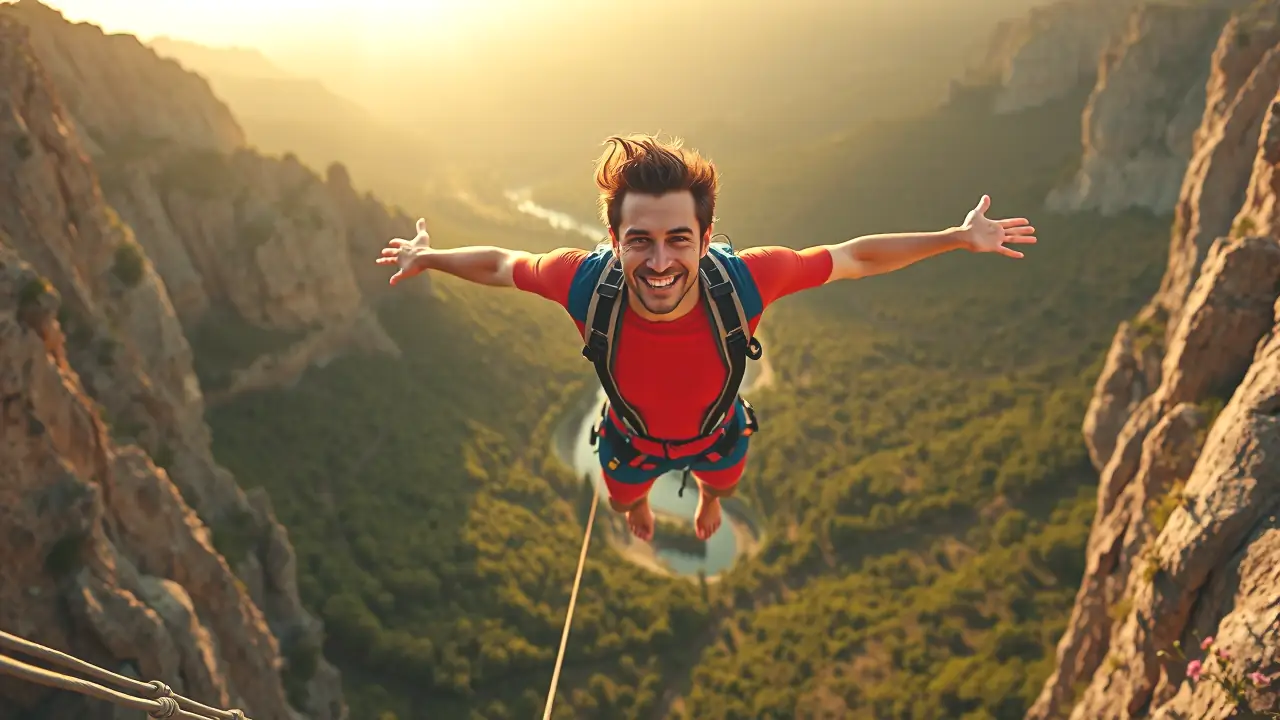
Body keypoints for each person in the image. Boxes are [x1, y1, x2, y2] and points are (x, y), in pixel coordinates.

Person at [376, 134, 1036, 542]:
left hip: (718, 438)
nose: (659, 261)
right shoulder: (583, 283)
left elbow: (855, 256)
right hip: (630, 443)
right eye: (640, 240)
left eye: (677, 240)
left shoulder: (746, 282)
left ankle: (709, 510)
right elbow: (500, 264)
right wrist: (430, 258)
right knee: (624, 504)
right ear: (613, 239)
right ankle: (642, 513)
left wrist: (955, 238)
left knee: (723, 488)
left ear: (704, 233)